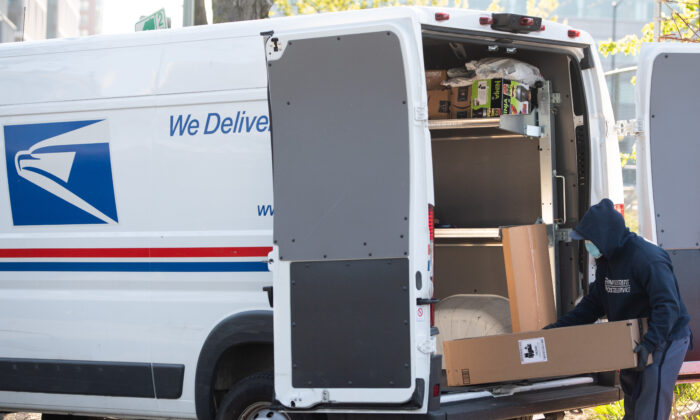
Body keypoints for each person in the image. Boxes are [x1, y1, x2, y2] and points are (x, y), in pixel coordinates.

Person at [544, 198, 691, 420]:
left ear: (604, 236)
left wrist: (650, 343)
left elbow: (668, 307)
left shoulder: (647, 258)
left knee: (650, 403)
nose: (586, 245)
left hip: (665, 336)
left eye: (589, 240)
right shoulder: (607, 261)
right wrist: (555, 331)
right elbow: (592, 305)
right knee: (633, 402)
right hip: (634, 337)